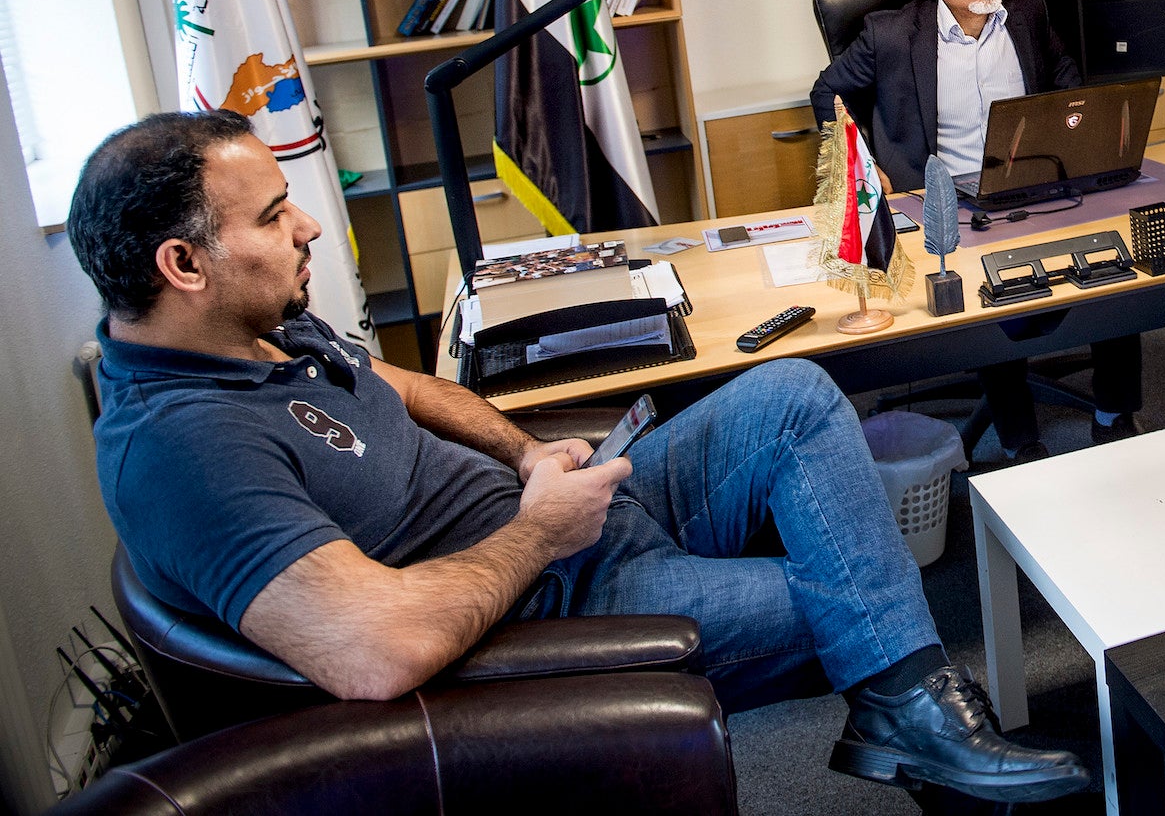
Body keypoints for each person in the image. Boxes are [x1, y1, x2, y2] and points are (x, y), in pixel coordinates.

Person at [73, 110, 1091, 805]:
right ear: (182, 265)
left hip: (560, 518)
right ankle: (922, 728)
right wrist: (537, 533)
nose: (306, 227)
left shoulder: (257, 327)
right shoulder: (182, 449)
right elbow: (371, 653)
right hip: (551, 605)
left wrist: (523, 456)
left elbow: (399, 388)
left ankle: (907, 719)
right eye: (271, 216)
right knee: (854, 593)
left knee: (790, 391)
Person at [809, 0, 1145, 461]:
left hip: (1040, 185)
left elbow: (1062, 72)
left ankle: (1113, 412)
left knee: (1118, 271)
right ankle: (1019, 440)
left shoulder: (1027, 10)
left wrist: (1080, 128)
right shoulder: (890, 33)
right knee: (993, 288)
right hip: (947, 204)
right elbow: (827, 92)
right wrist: (865, 162)